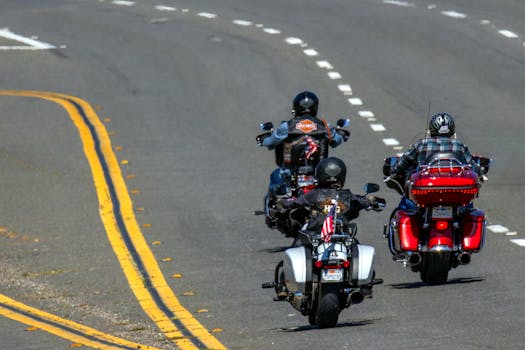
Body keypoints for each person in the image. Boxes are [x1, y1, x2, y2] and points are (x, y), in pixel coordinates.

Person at [260, 91, 348, 197]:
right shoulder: (325, 126)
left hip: (290, 172)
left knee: (275, 177)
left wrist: (264, 140)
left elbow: (270, 142)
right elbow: (336, 141)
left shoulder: (286, 126)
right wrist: (340, 133)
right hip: (318, 171)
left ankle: (271, 208)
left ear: (296, 107)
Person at [389, 112, 480, 210]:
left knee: (405, 204)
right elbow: (473, 167)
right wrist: (480, 171)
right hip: (454, 192)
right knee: (469, 207)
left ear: (432, 129)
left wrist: (394, 170)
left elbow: (404, 162)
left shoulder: (422, 144)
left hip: (426, 192)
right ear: (452, 130)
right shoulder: (459, 145)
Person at [279, 157, 382, 232]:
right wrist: (371, 200)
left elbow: (295, 202)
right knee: (355, 244)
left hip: (317, 233)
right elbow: (362, 202)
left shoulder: (314, 194)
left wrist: (282, 202)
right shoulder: (347, 195)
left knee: (299, 245)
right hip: (342, 233)